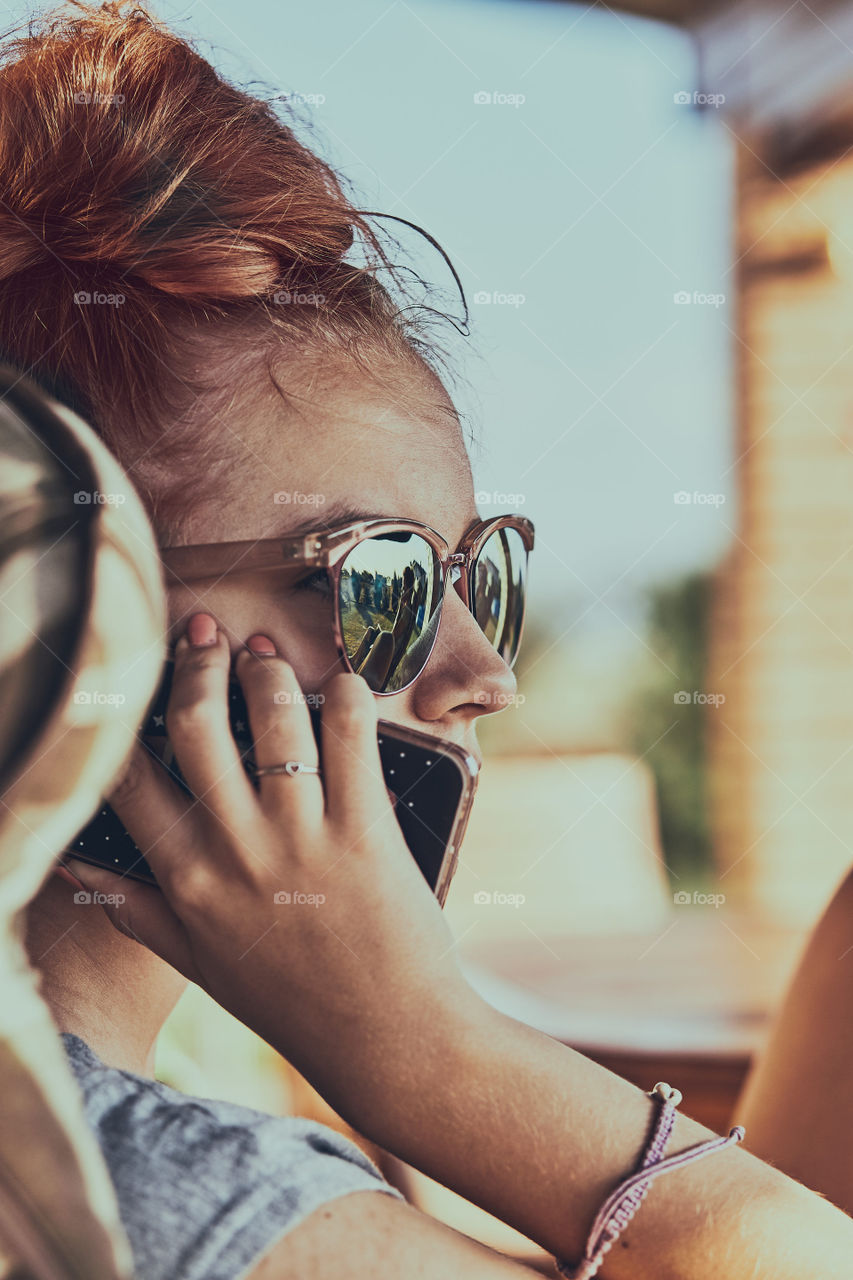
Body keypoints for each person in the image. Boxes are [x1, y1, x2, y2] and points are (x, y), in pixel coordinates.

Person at [5, 5, 852, 1279]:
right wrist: (424, 1041)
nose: (484, 674)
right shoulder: (160, 1194)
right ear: (65, 615)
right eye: (373, 576)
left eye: (475, 576)